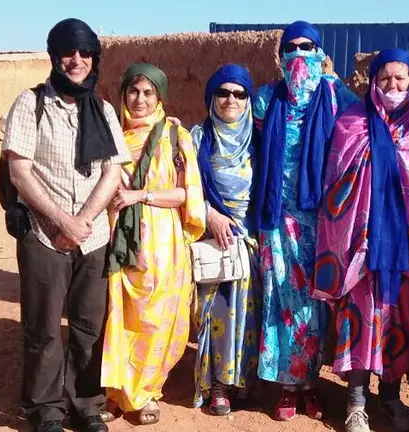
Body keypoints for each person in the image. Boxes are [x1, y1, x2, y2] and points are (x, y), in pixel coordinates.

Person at [2, 18, 130, 432]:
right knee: (42, 327)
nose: (77, 60)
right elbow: (20, 171)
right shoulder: (31, 104)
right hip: (43, 234)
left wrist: (83, 222)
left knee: (89, 325)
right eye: (67, 52)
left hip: (92, 237)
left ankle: (86, 404)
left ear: (94, 57)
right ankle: (46, 409)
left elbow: (112, 170)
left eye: (85, 52)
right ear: (54, 56)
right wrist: (61, 221)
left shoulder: (103, 110)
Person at [313, 48, 409, 432]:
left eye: (400, 77)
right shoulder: (352, 121)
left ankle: (389, 397)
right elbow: (337, 180)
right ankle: (356, 404)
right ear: (373, 81)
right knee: (359, 321)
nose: (392, 85)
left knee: (400, 324)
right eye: (384, 78)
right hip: (363, 245)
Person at [252, 20, 361, 421]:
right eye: (291, 47)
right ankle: (285, 385)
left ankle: (310, 383)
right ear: (281, 56)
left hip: (321, 221)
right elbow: (242, 139)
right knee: (278, 300)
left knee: (314, 306)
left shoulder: (337, 96)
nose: (298, 53)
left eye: (306, 46)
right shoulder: (266, 99)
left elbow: (370, 125)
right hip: (277, 217)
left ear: (319, 52)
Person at [100, 63, 206, 425]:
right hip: (117, 237)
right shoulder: (111, 135)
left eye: (148, 92)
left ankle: (146, 392)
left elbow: (185, 193)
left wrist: (139, 195)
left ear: (160, 97)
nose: (140, 99)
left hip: (162, 241)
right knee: (118, 315)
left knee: (155, 318)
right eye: (133, 91)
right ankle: (116, 392)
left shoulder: (174, 136)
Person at [190, 64, 262, 416]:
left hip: (251, 239)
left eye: (239, 93)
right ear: (211, 97)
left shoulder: (259, 140)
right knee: (216, 311)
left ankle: (242, 380)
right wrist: (211, 215)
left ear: (248, 99)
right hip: (213, 235)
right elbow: (186, 187)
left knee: (248, 312)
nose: (230, 99)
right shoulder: (197, 138)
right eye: (223, 92)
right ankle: (218, 384)